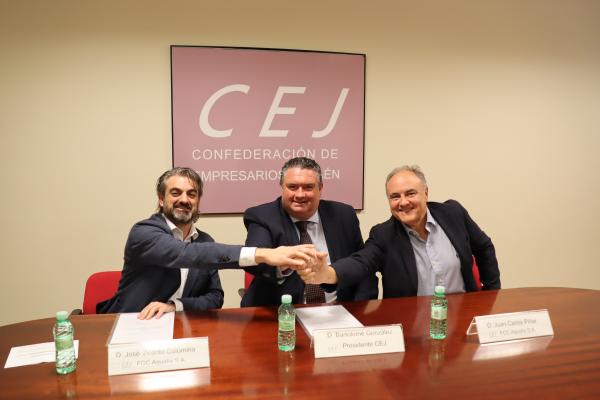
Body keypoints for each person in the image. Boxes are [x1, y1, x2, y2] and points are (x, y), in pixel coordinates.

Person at [97, 167, 316, 318]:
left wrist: (175, 306)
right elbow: (185, 254)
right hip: (132, 325)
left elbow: (215, 297)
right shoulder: (144, 232)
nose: (184, 199)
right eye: (176, 193)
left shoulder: (204, 240)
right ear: (161, 199)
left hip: (184, 330)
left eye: (192, 194)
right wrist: (263, 253)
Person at [298, 165, 500, 297]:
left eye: (410, 193)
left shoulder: (453, 213)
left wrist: (491, 296)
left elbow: (484, 248)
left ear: (426, 193)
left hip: (463, 314)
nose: (403, 202)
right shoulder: (383, 235)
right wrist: (327, 274)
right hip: (412, 324)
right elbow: (361, 263)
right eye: (395, 197)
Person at [241, 157, 378, 306]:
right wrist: (283, 264)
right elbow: (255, 261)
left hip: (339, 309)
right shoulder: (262, 216)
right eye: (292, 187)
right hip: (282, 310)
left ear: (320, 188)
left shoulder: (343, 215)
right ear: (282, 187)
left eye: (308, 187)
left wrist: (361, 307)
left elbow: (361, 266)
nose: (300, 194)